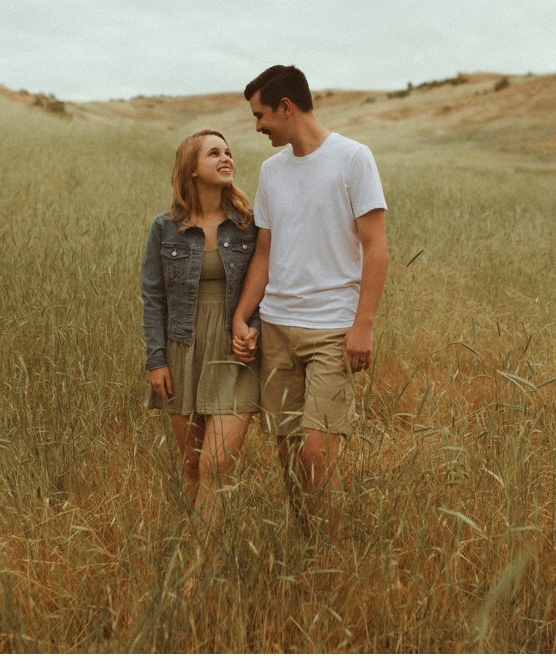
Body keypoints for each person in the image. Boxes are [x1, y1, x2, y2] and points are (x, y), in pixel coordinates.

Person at [228, 64, 389, 534]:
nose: (257, 126)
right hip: (276, 326)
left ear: (286, 107)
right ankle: (306, 542)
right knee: (287, 454)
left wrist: (363, 325)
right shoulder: (271, 171)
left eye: (260, 115)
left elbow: (376, 247)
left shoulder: (353, 159)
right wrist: (243, 317)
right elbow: (265, 251)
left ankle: (330, 551)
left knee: (317, 451)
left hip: (332, 329)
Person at [140, 128, 262, 536]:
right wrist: (156, 361)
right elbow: (153, 297)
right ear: (191, 169)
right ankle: (195, 550)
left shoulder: (248, 225)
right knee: (192, 464)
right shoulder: (165, 228)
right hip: (182, 351)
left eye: (228, 152)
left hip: (233, 353)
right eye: (214, 153)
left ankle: (199, 566)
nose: (226, 158)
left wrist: (254, 330)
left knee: (216, 464)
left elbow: (268, 286)